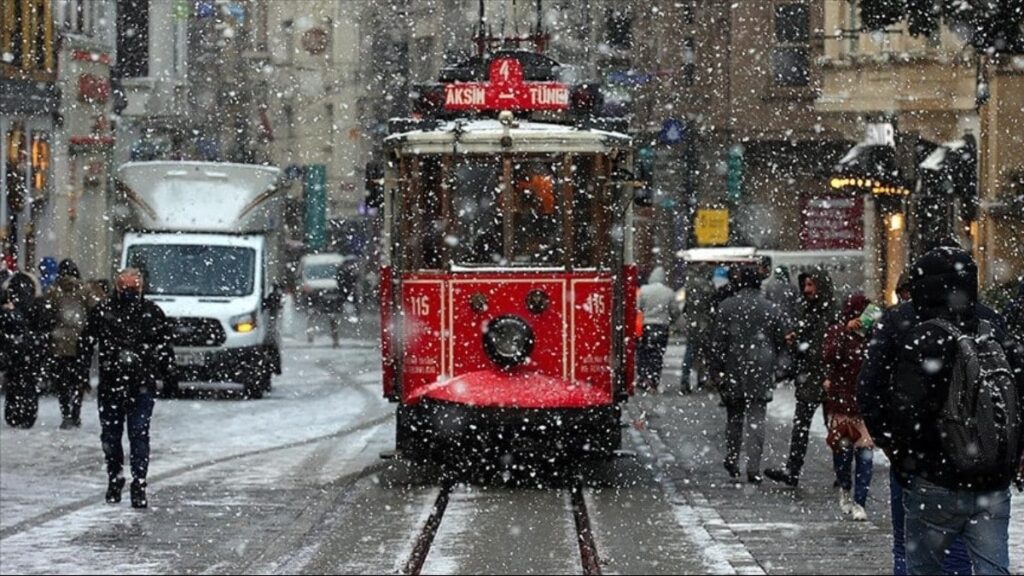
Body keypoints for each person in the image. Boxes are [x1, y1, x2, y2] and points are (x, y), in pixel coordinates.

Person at [860, 247, 1021, 575]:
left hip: (930, 471)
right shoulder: (990, 323)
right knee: (992, 566)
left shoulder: (905, 324)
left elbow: (874, 392)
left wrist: (900, 454)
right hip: (990, 473)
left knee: (916, 559)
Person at [82, 268, 175, 508]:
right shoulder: (104, 312)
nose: (130, 293)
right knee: (113, 437)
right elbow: (85, 343)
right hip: (115, 384)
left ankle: (138, 482)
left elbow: (165, 347)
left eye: (133, 288)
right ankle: (116, 477)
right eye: (126, 288)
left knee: (137, 434)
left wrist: (166, 373)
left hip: (139, 384)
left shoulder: (151, 313)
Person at [708, 266, 787, 484]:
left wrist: (716, 369)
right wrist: (780, 368)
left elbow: (718, 342)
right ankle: (753, 467)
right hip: (761, 369)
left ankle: (732, 459)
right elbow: (781, 341)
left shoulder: (727, 307)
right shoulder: (771, 308)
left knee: (734, 418)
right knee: (756, 420)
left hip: (734, 367)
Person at [765, 266, 838, 488]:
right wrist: (795, 342)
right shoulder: (805, 309)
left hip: (827, 377)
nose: (807, 289)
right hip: (810, 377)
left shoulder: (831, 311)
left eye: (811, 285)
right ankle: (793, 470)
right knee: (801, 426)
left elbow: (829, 344)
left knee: (834, 427)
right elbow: (805, 343)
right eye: (805, 285)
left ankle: (841, 471)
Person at [822, 292, 874, 521]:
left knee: (865, 456)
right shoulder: (837, 332)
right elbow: (828, 355)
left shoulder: (872, 335)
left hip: (864, 403)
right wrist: (845, 330)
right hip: (842, 403)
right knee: (843, 453)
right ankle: (845, 487)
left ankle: (860, 500)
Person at [43, 259, 96, 429]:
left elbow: (47, 314)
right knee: (79, 379)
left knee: (62, 381)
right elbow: (95, 311)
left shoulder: (53, 291)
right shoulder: (85, 290)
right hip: (80, 342)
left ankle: (65, 413)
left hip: (59, 342)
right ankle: (76, 412)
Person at [1, 272, 53, 428]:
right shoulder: (37, 303)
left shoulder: (10, 306)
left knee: (14, 381)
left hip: (14, 349)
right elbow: (45, 324)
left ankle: (13, 414)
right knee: (28, 383)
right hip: (31, 350)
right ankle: (27, 415)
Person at [636, 266, 677, 392]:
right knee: (658, 355)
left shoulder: (643, 290)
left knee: (644, 353)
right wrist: (670, 320)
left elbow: (638, 307)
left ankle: (644, 378)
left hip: (647, 326)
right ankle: (654, 379)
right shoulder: (669, 292)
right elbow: (675, 311)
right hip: (662, 326)